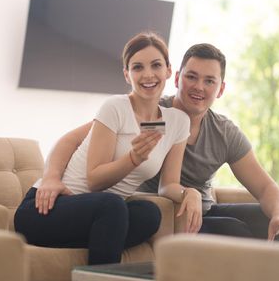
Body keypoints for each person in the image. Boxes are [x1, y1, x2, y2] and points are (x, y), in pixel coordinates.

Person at [35, 43, 279, 241]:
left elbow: (265, 186)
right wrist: (51, 177)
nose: (198, 87)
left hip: (202, 209)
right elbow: (69, 141)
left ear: (220, 89)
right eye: (191, 77)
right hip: (161, 212)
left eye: (209, 81)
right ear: (176, 78)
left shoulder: (224, 132)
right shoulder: (148, 110)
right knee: (237, 232)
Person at [14, 32, 198, 266]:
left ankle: (100, 240)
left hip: (103, 215)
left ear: (168, 71)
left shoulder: (177, 122)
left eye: (156, 65)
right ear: (127, 74)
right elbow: (94, 181)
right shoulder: (115, 107)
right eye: (138, 67)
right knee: (112, 205)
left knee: (149, 214)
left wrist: (189, 193)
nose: (148, 74)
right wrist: (133, 158)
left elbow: (169, 183)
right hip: (48, 209)